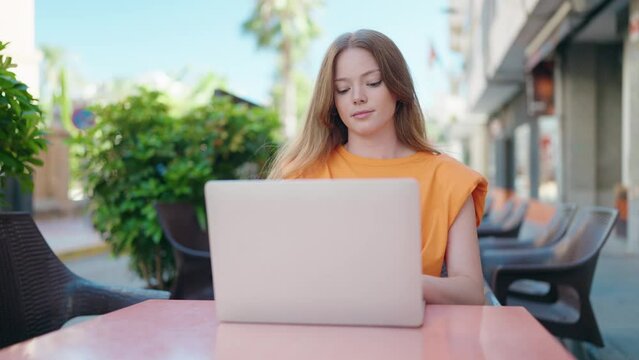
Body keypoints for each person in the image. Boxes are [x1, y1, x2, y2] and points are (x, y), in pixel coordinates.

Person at [268, 29, 488, 305]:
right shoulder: (303, 174)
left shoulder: (449, 178)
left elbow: (470, 293)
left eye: (372, 83)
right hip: (321, 332)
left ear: (398, 89)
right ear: (333, 101)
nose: (357, 97)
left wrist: (400, 282)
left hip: (416, 337)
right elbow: (280, 275)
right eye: (343, 89)